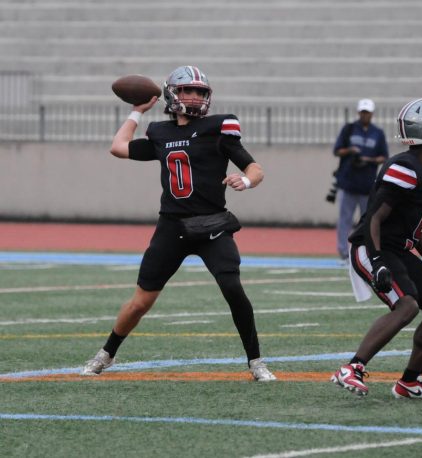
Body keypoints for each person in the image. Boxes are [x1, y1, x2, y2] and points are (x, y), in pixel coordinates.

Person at [81, 65, 276, 382]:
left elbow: (255, 168)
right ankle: (106, 354)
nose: (194, 97)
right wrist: (135, 112)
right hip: (172, 227)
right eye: (187, 90)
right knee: (140, 303)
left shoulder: (218, 128)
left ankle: (256, 362)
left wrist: (245, 181)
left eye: (199, 91)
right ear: (172, 94)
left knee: (233, 289)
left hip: (212, 225)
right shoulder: (161, 132)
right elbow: (118, 147)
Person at [331, 98, 422, 399]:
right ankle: (352, 367)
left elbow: (417, 233)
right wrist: (378, 261)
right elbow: (374, 218)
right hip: (373, 247)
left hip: (397, 249)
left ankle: (410, 381)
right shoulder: (405, 168)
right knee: (407, 305)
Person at [332, 98, 388, 263]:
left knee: (368, 221)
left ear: (372, 114)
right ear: (359, 112)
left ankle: (364, 252)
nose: (365, 115)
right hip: (348, 183)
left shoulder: (378, 133)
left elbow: (384, 157)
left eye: (368, 112)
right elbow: (337, 151)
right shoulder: (349, 129)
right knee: (345, 220)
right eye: (362, 112)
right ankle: (343, 253)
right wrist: (350, 151)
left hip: (367, 185)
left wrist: (369, 160)